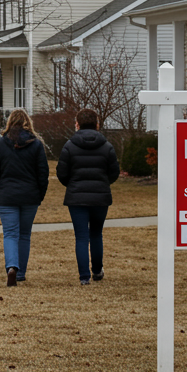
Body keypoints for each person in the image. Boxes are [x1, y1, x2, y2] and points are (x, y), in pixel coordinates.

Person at [57, 108, 120, 285]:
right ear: (97, 124)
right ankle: (97, 270)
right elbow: (114, 172)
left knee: (81, 236)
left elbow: (62, 173)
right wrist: (102, 183)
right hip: (100, 197)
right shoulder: (107, 146)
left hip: (76, 198)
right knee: (96, 234)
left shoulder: (69, 146)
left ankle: (84, 276)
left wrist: (73, 185)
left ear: (77, 124)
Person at [0, 108, 48, 287]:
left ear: (9, 122)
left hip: (6, 196)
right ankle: (20, 274)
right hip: (30, 196)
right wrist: (39, 195)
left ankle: (12, 266)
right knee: (24, 235)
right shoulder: (36, 144)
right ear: (28, 122)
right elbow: (43, 173)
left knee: (10, 234)